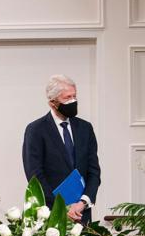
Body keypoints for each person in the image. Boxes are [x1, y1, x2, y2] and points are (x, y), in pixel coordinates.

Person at [22, 74, 101, 224]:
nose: (73, 101)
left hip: (81, 213)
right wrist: (62, 207)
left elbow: (94, 171)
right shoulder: (36, 130)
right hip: (51, 214)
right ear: (52, 103)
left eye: (74, 96)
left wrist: (82, 203)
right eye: (67, 98)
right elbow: (35, 175)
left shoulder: (85, 128)